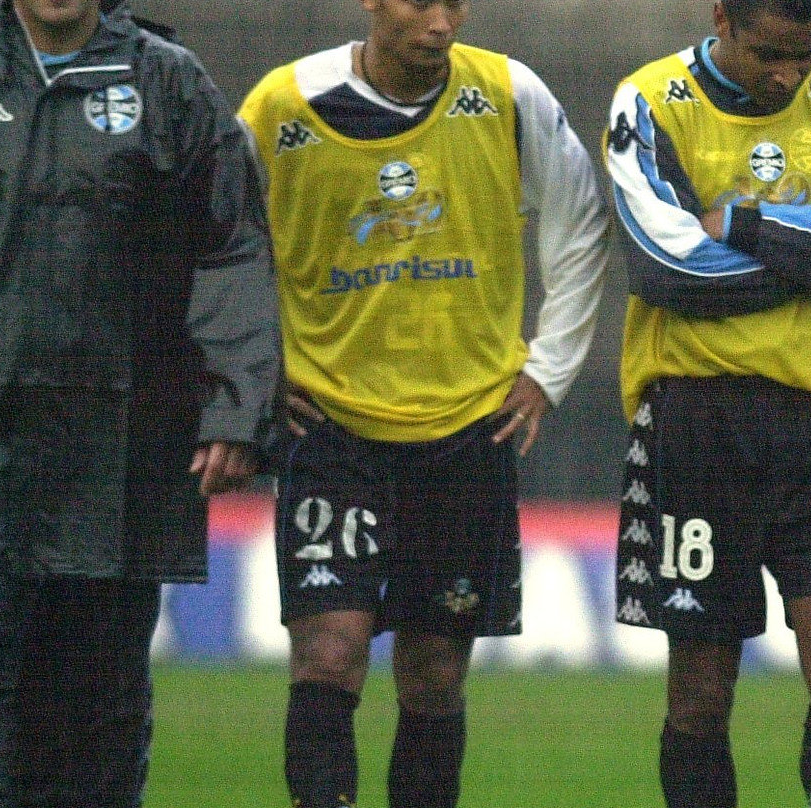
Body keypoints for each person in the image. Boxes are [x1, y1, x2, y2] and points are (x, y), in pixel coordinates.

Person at [0, 1, 280, 806]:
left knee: (97, 719)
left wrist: (235, 406)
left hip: (121, 458)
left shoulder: (171, 85)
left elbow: (232, 249)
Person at [237, 0, 609, 805]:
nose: (440, 23)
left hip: (466, 429)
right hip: (331, 427)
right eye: (418, 3)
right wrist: (253, 364)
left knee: (435, 673)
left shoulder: (509, 95)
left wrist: (548, 369)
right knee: (329, 654)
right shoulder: (283, 105)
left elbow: (580, 222)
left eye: (453, 4)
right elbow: (216, 237)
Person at [605, 1, 811, 806]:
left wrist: (740, 220)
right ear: (722, 19)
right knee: (702, 689)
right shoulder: (649, 99)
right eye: (770, 54)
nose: (789, 75)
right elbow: (670, 271)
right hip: (700, 419)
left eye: (804, 55)